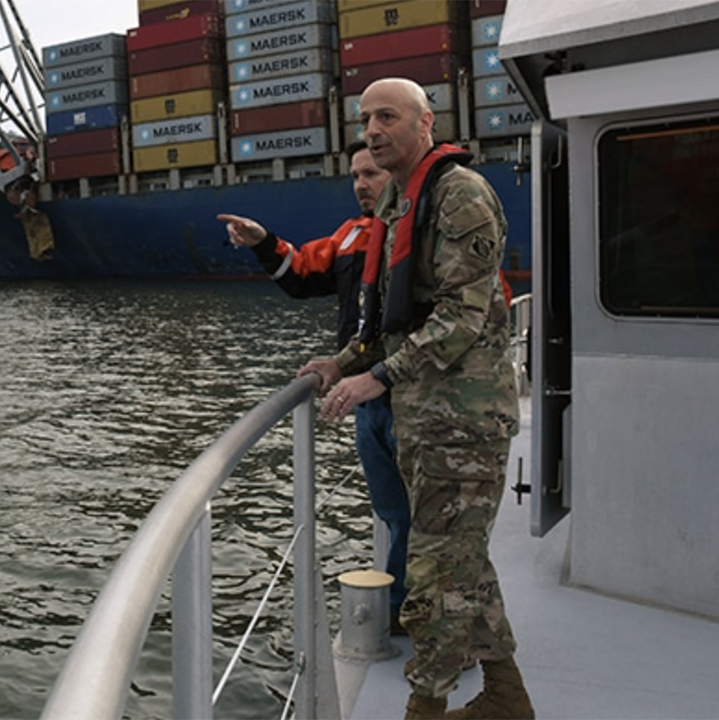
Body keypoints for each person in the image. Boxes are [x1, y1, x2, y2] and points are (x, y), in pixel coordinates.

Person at [299, 78, 533, 720]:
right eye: (365, 119)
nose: (372, 130)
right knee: (463, 561)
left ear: (426, 123)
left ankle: (425, 707)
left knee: (432, 572)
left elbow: (462, 315)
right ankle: (507, 699)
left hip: (464, 421)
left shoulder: (459, 196)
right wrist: (344, 361)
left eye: (388, 117)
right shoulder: (399, 203)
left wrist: (380, 376)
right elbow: (394, 319)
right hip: (426, 421)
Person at [216, 141, 412, 634]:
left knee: (424, 514)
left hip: (416, 397)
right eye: (355, 176)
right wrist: (263, 241)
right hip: (366, 401)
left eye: (371, 174)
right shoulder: (351, 236)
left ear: (396, 171)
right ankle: (404, 608)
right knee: (392, 510)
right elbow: (302, 272)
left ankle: (415, 612)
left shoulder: (425, 228)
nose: (361, 185)